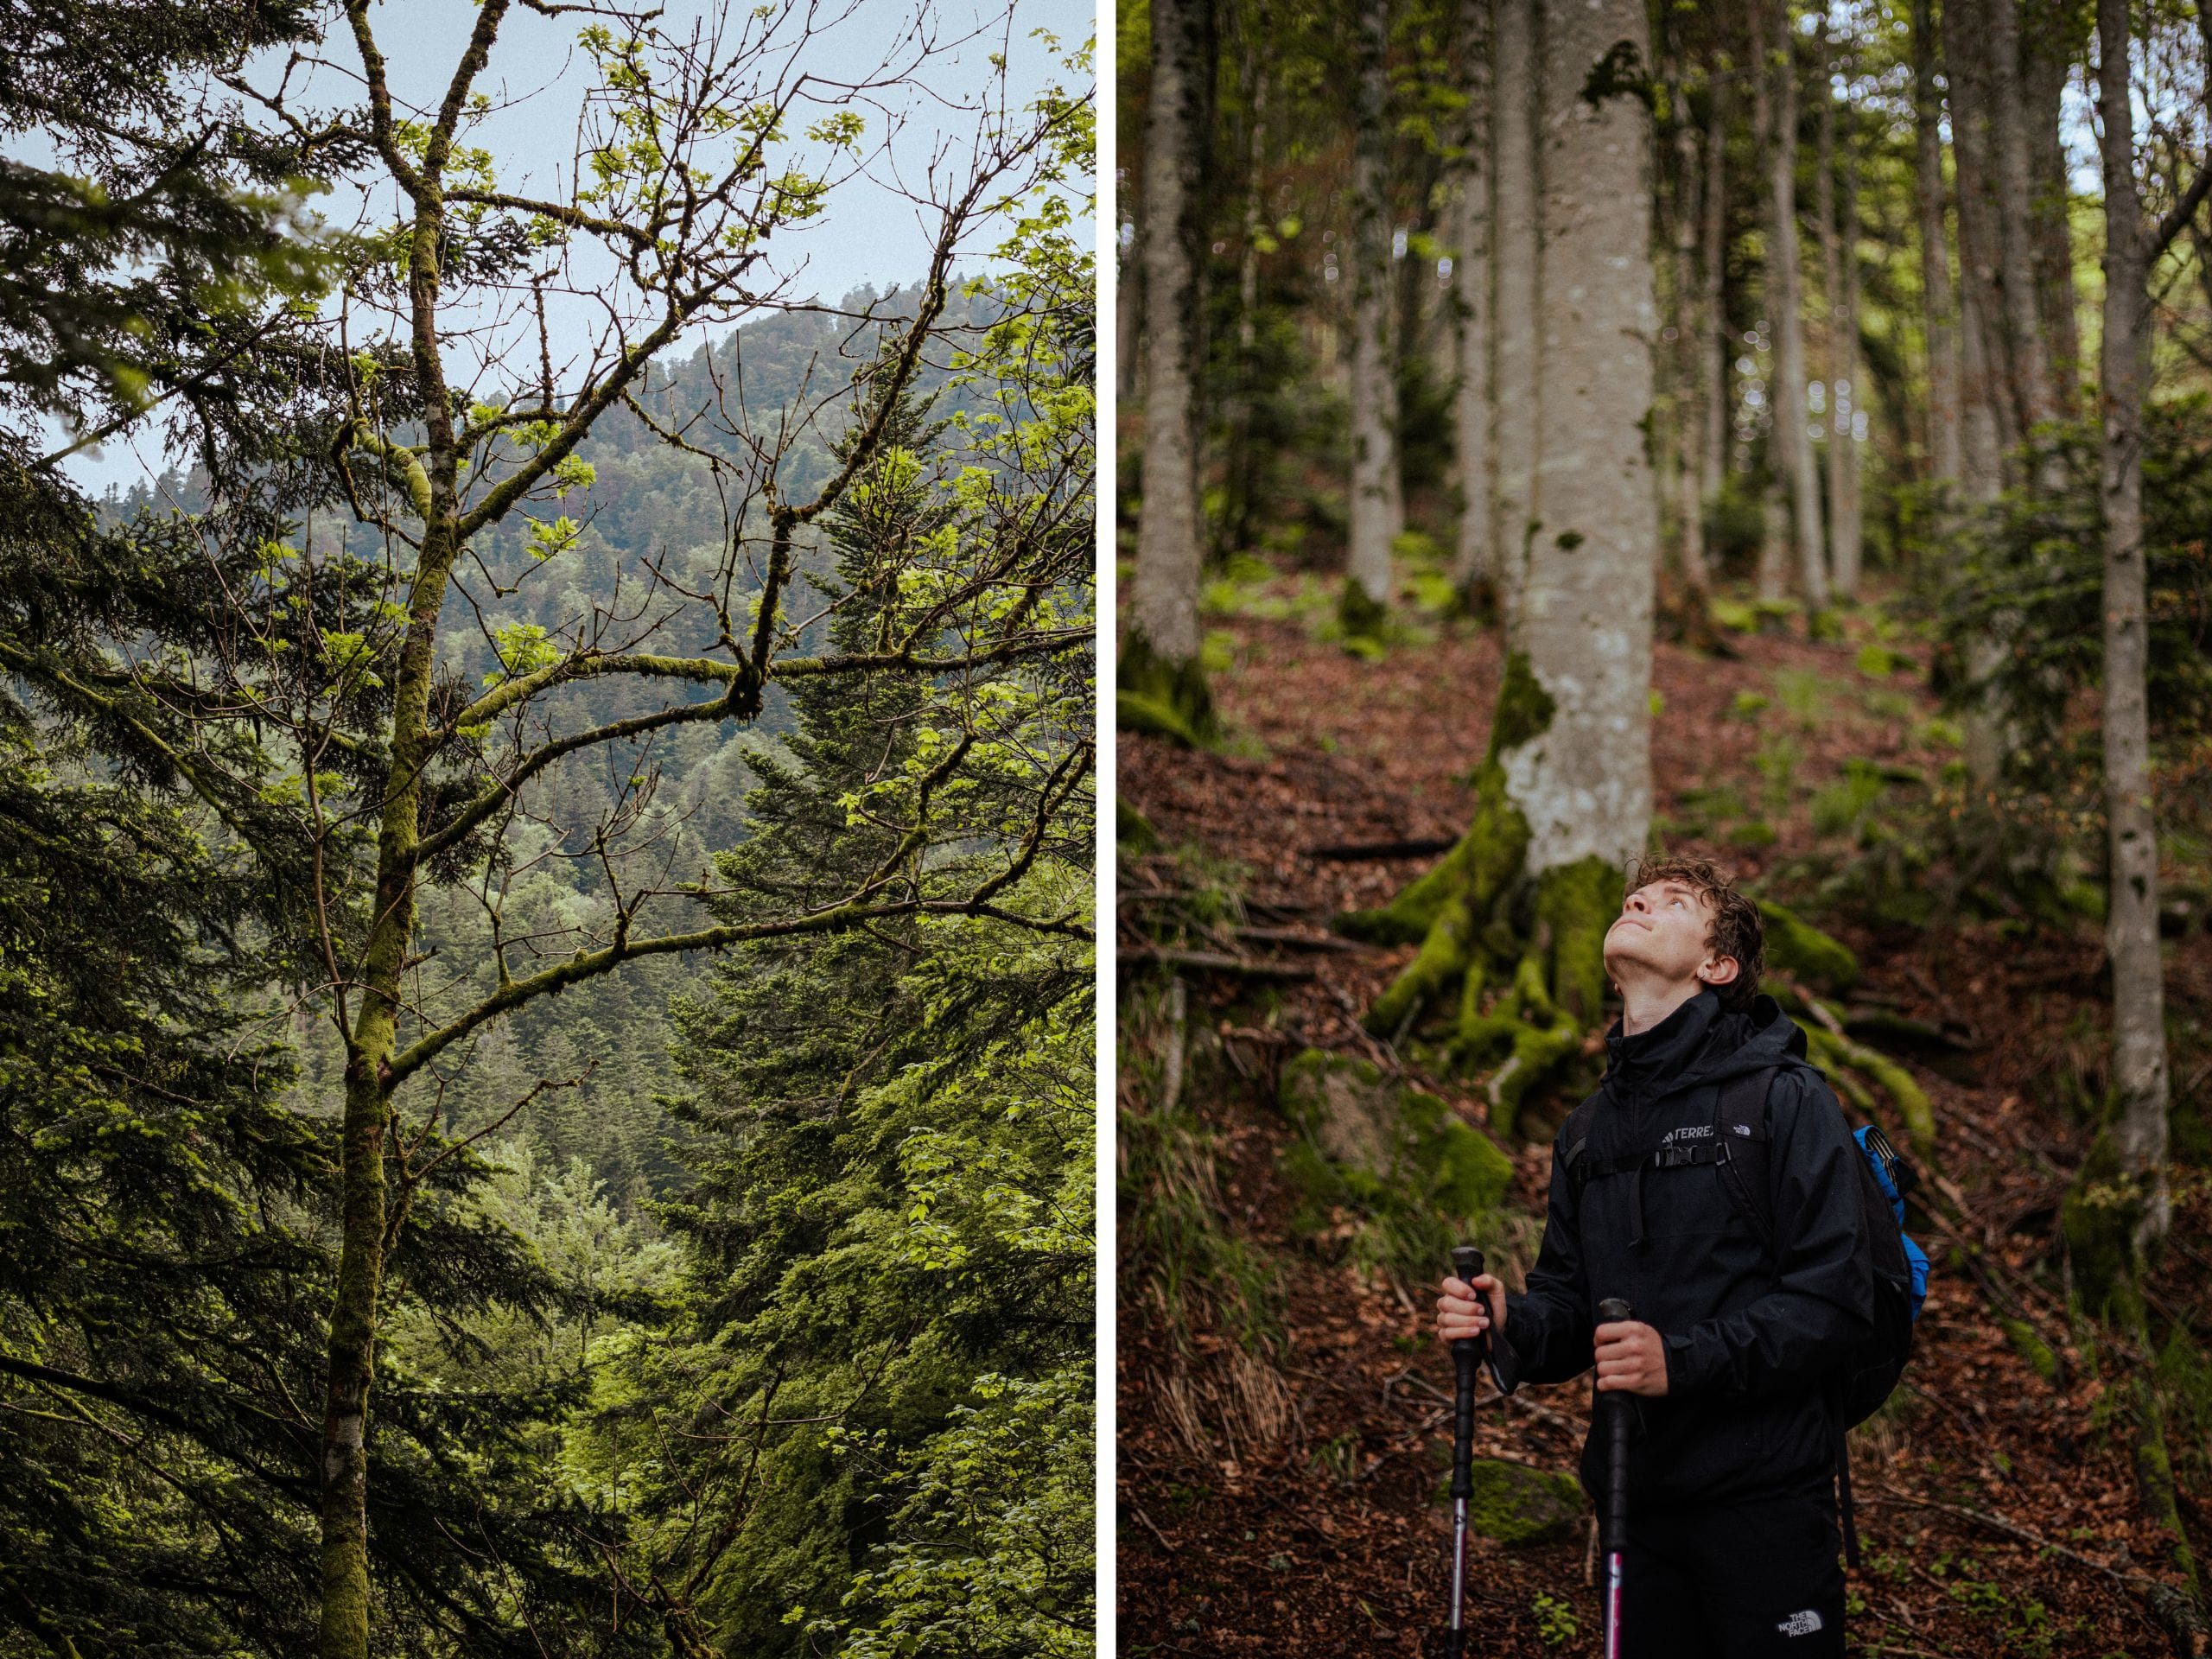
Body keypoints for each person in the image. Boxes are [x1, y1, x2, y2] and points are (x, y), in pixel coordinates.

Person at [1435, 855, 1872, 1657]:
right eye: (1637, 895)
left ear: (1718, 965)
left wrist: (1682, 1360)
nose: (1637, 900)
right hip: (1635, 1499)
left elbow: (1835, 1299)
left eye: (1674, 902)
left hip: (1765, 1501)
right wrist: (1509, 1322)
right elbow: (1571, 1306)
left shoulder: (1782, 1098)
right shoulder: (1590, 1129)